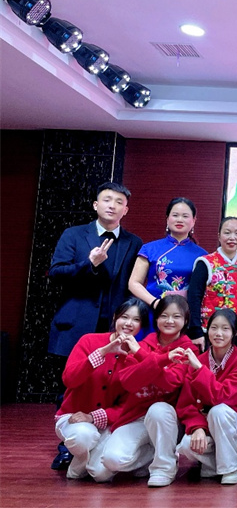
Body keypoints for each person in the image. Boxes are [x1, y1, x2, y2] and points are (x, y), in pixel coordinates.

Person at [48, 181, 143, 470]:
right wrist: (89, 263)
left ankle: (101, 442)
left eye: (119, 202)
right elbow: (56, 272)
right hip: (76, 323)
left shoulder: (133, 242)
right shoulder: (74, 234)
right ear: (95, 204)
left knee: (112, 385)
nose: (112, 205)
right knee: (70, 386)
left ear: (126, 210)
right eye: (107, 199)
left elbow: (130, 284)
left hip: (114, 325)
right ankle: (67, 447)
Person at [99, 296, 197, 487]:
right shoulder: (143, 343)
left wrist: (142, 358)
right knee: (111, 461)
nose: (169, 321)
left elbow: (170, 382)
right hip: (136, 416)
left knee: (158, 409)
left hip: (170, 420)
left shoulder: (188, 349)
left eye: (176, 316)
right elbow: (128, 382)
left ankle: (164, 467)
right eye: (164, 316)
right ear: (156, 318)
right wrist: (161, 361)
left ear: (186, 320)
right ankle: (152, 455)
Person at [54, 298, 148, 480]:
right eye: (124, 317)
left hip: (106, 423)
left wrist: (93, 417)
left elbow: (127, 405)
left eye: (136, 320)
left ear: (141, 326)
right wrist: (103, 352)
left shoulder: (137, 356)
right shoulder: (89, 341)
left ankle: (148, 457)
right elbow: (69, 379)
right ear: (115, 318)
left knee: (101, 474)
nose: (129, 323)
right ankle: (82, 460)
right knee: (83, 435)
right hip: (72, 418)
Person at [176, 309, 237, 485]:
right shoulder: (199, 360)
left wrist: (200, 370)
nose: (218, 333)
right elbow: (186, 404)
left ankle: (231, 468)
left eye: (225, 329)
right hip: (206, 423)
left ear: (234, 333)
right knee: (186, 445)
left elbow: (222, 396)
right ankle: (216, 464)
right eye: (214, 328)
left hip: (235, 424)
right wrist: (197, 427)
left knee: (218, 411)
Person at [128, 197, 206, 338]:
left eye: (185, 216)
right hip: (153, 311)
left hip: (184, 317)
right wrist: (155, 303)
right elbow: (134, 283)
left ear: (194, 221)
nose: (180, 220)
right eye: (175, 215)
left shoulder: (203, 256)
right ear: (167, 218)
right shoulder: (149, 249)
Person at [186, 217, 237, 352]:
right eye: (227, 233)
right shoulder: (205, 263)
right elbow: (194, 297)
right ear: (219, 235)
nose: (232, 238)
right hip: (209, 330)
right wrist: (195, 330)